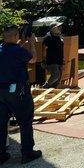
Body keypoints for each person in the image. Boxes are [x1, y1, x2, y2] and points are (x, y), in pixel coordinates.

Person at [0, 25, 42, 164]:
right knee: (25, 121)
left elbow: (11, 55)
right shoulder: (18, 51)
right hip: (18, 91)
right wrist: (31, 43)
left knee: (1, 123)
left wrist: (20, 45)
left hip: (1, 92)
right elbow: (33, 59)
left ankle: (1, 154)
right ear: (15, 36)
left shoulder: (2, 49)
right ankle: (27, 153)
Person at [42, 23, 64, 89]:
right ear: (53, 28)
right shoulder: (48, 37)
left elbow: (61, 48)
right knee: (55, 75)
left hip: (59, 60)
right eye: (58, 27)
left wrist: (63, 59)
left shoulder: (59, 36)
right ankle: (45, 86)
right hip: (51, 60)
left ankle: (52, 90)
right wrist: (44, 60)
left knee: (58, 78)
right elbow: (44, 49)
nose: (60, 28)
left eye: (60, 26)